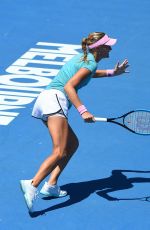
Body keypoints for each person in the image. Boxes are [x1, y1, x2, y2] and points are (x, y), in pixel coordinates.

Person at [20, 32, 129, 212]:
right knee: (60, 151)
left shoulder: (85, 58)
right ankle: (32, 184)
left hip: (45, 99)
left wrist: (112, 72)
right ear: (99, 48)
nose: (110, 48)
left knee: (72, 144)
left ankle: (51, 185)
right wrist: (83, 111)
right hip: (56, 99)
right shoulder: (90, 62)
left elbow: (87, 74)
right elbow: (69, 86)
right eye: (107, 45)